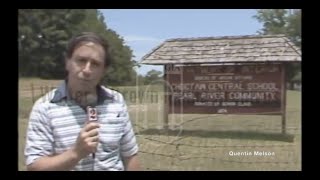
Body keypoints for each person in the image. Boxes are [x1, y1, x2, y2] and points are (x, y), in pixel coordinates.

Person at [24, 32, 141, 171]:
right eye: (81, 60)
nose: (87, 70)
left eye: (95, 64)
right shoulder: (45, 107)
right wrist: (76, 153)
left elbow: (130, 156)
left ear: (104, 70)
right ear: (68, 62)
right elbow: (34, 166)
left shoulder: (116, 101)